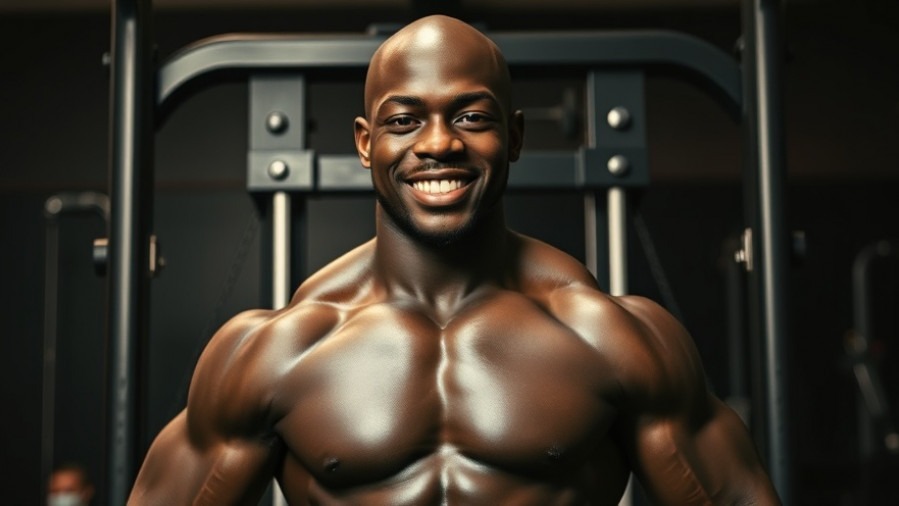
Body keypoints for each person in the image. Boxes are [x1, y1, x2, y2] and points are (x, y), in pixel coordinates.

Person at [129, 14, 781, 505]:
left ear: (514, 136)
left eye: (470, 117)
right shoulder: (276, 351)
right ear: (365, 143)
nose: (438, 144)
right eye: (404, 121)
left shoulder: (612, 339)